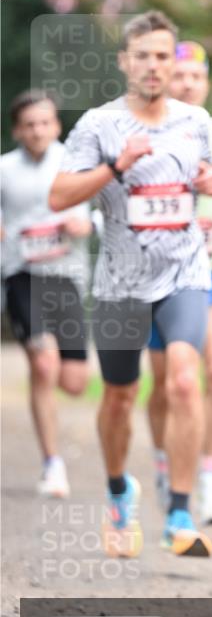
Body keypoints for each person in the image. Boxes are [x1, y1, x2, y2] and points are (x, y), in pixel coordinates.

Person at [49, 10, 212, 558]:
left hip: (185, 272)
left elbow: (209, 179)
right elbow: (59, 196)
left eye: (163, 55)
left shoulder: (196, 122)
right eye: (143, 55)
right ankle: (120, 494)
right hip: (121, 282)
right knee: (120, 396)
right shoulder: (99, 125)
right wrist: (115, 168)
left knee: (184, 382)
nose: (153, 65)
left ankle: (179, 509)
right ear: (125, 61)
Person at [147, 40, 212, 525]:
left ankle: (210, 479)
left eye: (196, 77)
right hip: (162, 272)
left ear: (206, 81)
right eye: (180, 76)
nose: (188, 84)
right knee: (167, 382)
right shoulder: (150, 131)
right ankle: (167, 464)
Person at [1, 90, 92, 498]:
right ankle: (52, 464)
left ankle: (52, 393)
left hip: (67, 276)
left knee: (73, 381)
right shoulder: (4, 170)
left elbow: (99, 214)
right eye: (29, 124)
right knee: (42, 363)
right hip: (22, 273)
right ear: (18, 130)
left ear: (56, 125)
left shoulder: (76, 164)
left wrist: (84, 226)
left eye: (45, 122)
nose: (38, 131)